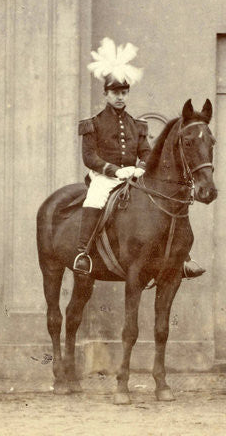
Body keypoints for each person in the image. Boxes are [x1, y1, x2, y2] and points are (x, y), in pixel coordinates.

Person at [73, 37, 205, 279]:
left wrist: (142, 167)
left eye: (124, 93)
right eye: (115, 93)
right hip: (104, 177)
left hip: (133, 176)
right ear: (106, 94)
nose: (120, 97)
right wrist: (114, 170)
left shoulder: (137, 125)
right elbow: (89, 157)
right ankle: (84, 254)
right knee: (95, 198)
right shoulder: (93, 124)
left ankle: (182, 256)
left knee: (163, 199)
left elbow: (145, 151)